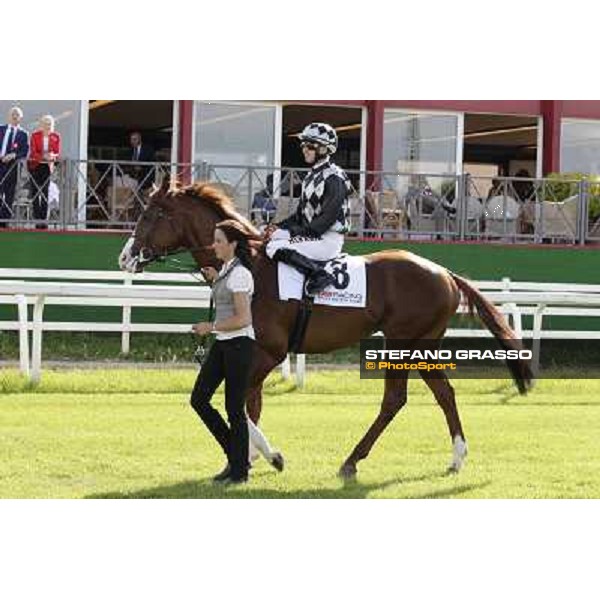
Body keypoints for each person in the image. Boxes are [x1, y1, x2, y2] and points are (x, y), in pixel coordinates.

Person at [190, 219, 257, 485]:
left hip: (239, 343)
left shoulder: (240, 274)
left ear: (233, 244)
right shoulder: (227, 270)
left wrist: (211, 326)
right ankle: (236, 455)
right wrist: (215, 279)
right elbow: (227, 298)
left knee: (234, 409)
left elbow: (244, 318)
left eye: (219, 240)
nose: (214, 245)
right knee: (199, 399)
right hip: (225, 342)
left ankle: (239, 471)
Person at [265, 122, 351, 296]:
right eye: (303, 144)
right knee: (271, 241)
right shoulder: (310, 177)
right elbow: (300, 215)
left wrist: (290, 234)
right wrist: (278, 227)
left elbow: (324, 221)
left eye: (310, 145)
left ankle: (319, 275)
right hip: (313, 237)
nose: (305, 149)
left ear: (325, 149)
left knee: (273, 247)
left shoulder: (335, 177)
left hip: (326, 240)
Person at [28, 115, 61, 229]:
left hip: (47, 167)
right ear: (41, 125)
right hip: (35, 166)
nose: (48, 126)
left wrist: (52, 156)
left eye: (50, 124)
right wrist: (43, 156)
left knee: (45, 192)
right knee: (35, 193)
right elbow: (33, 151)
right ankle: (37, 220)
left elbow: (57, 152)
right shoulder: (35, 135)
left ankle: (43, 220)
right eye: (46, 123)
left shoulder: (56, 136)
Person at [0, 107, 29, 228]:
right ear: (9, 116)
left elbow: (24, 151)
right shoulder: (1, 129)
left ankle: (4, 221)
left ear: (21, 118)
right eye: (13, 114)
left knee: (9, 193)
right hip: (0, 163)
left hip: (13, 166)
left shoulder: (23, 133)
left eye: (17, 115)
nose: (15, 116)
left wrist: (14, 155)